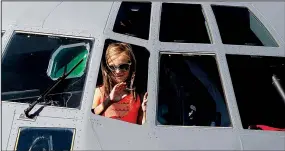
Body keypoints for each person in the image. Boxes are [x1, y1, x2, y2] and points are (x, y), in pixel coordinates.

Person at [92, 42, 148, 125]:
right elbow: (89, 117)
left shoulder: (138, 96)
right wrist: (109, 100)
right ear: (106, 68)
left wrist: (145, 112)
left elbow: (141, 125)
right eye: (112, 67)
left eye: (123, 66)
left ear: (131, 67)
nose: (118, 71)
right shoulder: (100, 92)